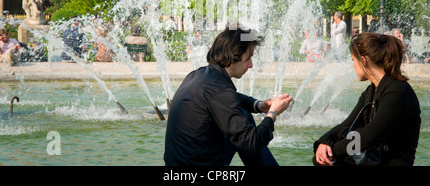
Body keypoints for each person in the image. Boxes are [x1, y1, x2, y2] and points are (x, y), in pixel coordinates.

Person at [164, 25, 293, 166]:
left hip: (179, 162)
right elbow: (252, 142)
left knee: (244, 114)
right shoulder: (220, 91)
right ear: (233, 57)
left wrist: (258, 105)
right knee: (247, 126)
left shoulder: (199, 75)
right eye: (248, 58)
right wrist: (272, 113)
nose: (251, 65)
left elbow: (233, 97)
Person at [313, 33, 421, 166]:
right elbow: (347, 124)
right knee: (320, 161)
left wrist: (333, 151)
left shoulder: (398, 92)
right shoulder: (371, 91)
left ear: (363, 60)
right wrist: (324, 142)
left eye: (353, 59)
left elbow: (370, 135)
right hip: (372, 160)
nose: (353, 65)